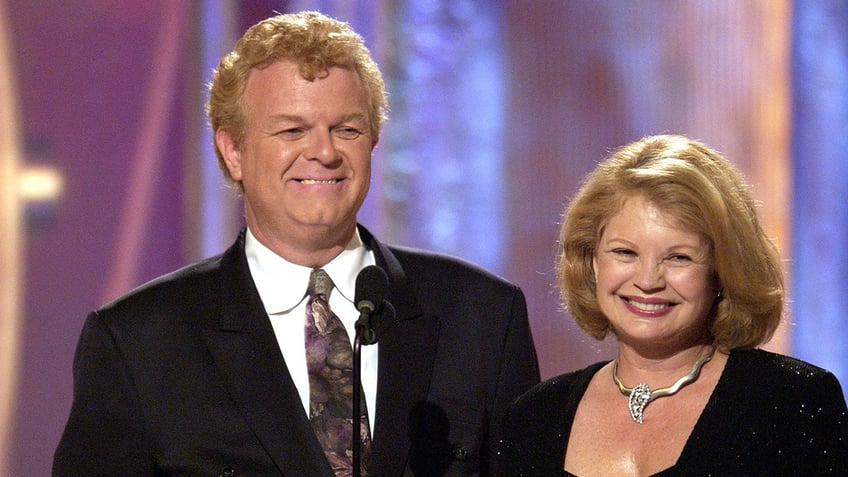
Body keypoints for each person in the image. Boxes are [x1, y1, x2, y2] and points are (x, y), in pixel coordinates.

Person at [53, 11, 539, 476]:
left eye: (346, 129)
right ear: (233, 151)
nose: (325, 152)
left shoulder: (482, 316)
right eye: (293, 130)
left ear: (372, 142)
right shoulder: (138, 341)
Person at [497, 134, 848, 476]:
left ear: (721, 271)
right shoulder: (533, 417)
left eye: (679, 257)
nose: (648, 281)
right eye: (624, 252)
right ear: (593, 262)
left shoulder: (791, 403)